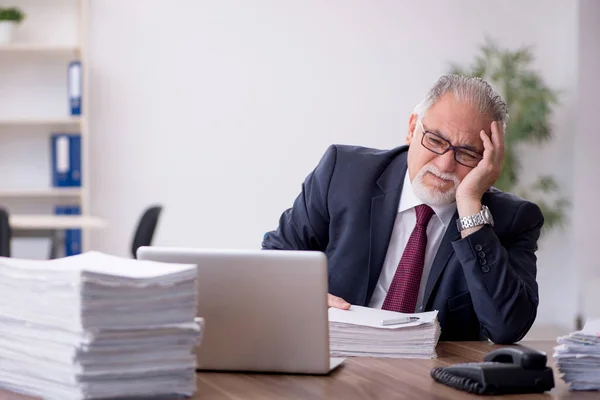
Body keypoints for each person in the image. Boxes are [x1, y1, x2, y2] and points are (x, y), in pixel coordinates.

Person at [262, 75, 543, 344]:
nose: (444, 165)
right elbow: (275, 261)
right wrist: (303, 295)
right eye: (435, 140)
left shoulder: (513, 219)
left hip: (430, 378)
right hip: (336, 355)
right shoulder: (343, 174)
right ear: (412, 128)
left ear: (488, 162)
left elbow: (508, 326)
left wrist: (470, 203)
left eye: (467, 154)